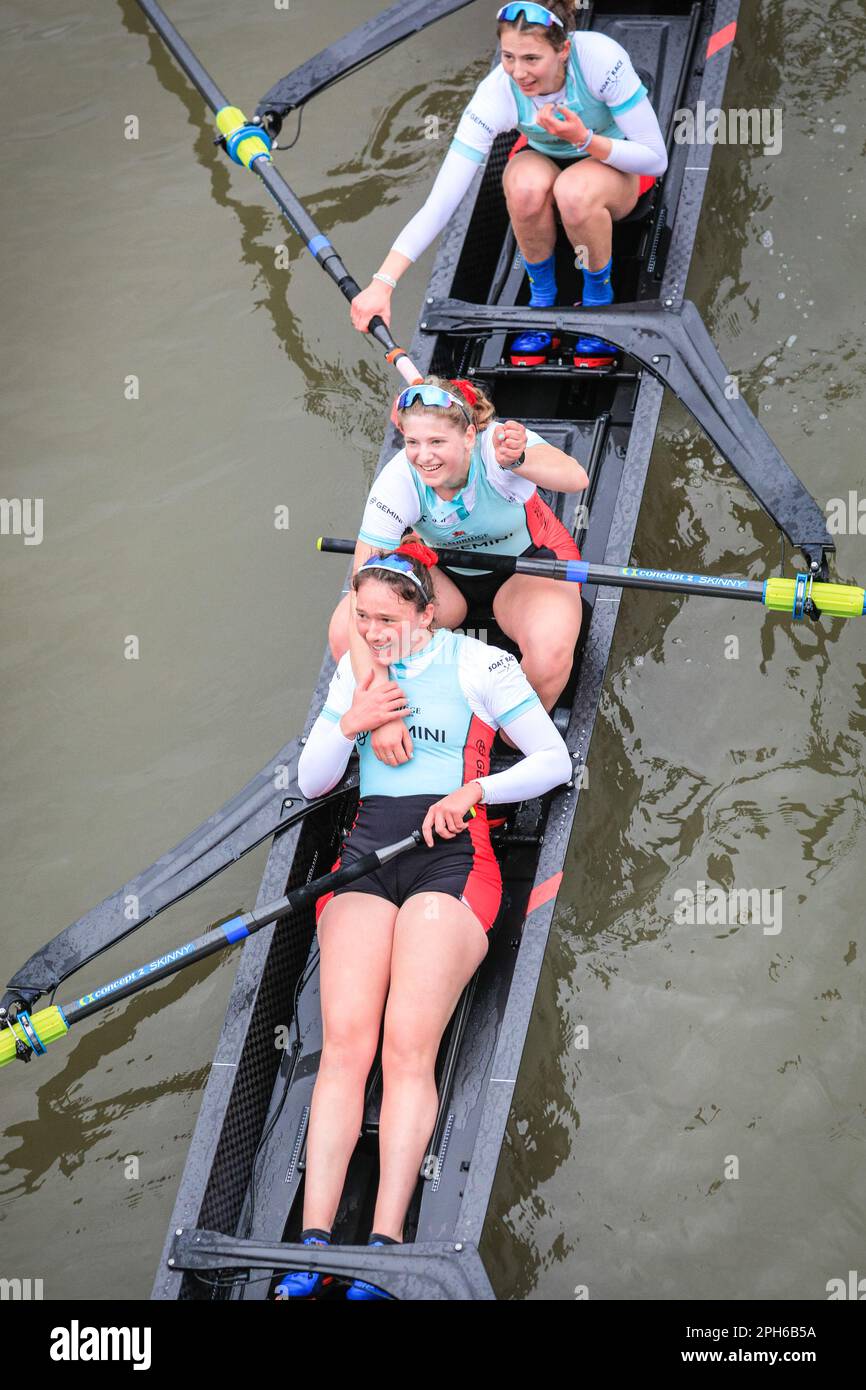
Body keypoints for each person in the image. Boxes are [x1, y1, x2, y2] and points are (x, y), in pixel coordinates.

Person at [275, 542, 571, 1299]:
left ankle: (385, 1243)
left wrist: (475, 791)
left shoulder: (479, 667)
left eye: (385, 618)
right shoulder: (355, 672)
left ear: (425, 612)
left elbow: (553, 761)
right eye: (361, 617)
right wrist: (350, 722)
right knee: (346, 1045)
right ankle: (310, 1247)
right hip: (370, 857)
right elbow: (312, 782)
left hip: (454, 862)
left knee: (407, 1047)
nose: (370, 632)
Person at [350, 1, 667, 367]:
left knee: (573, 193)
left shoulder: (599, 59)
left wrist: (583, 139)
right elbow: (440, 204)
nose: (519, 73)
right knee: (523, 187)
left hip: (617, 161)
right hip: (545, 156)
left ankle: (598, 301)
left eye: (532, 59)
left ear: (563, 50)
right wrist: (382, 283)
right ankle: (542, 300)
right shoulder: (496, 93)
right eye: (509, 57)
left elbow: (655, 158)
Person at [329, 376, 587, 761]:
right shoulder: (398, 481)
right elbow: (360, 602)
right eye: (412, 443)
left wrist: (520, 460)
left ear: (469, 436)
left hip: (528, 566)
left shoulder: (497, 446)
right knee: (345, 635)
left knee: (549, 656)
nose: (423, 456)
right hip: (445, 575)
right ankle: (411, 714)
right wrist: (380, 713)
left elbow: (575, 478)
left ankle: (507, 742)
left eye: (436, 442)